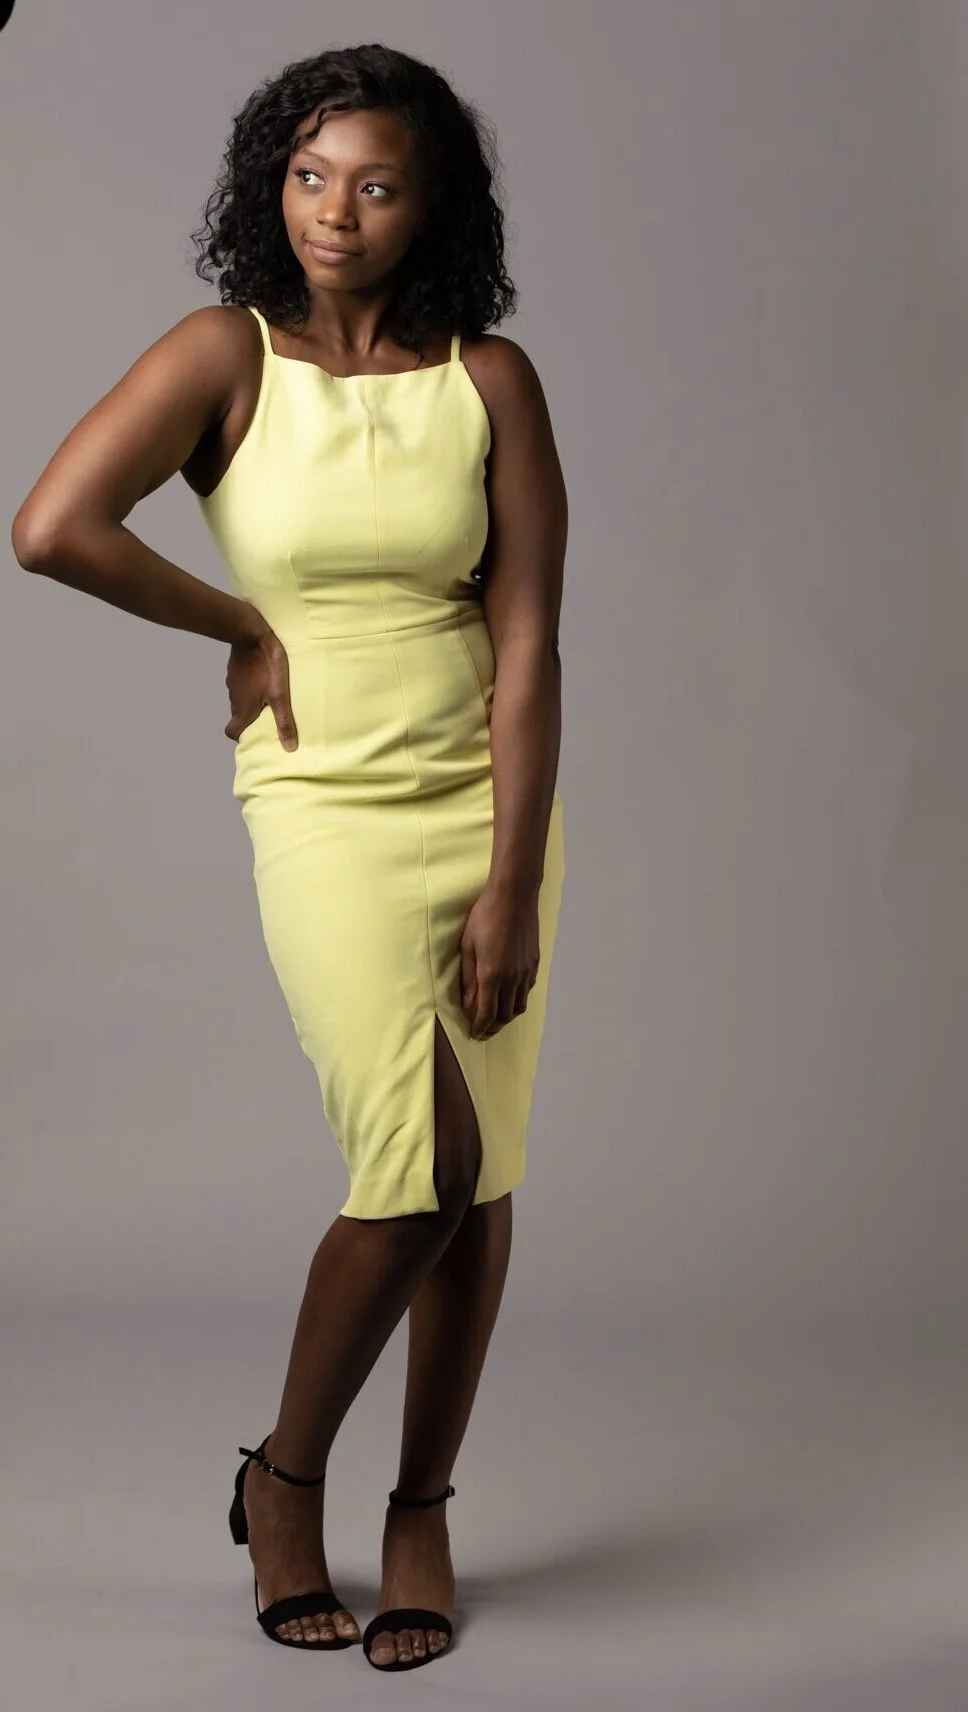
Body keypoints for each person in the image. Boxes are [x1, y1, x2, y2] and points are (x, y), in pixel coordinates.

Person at [11, 41, 566, 1674]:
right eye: (310, 176)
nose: (335, 210)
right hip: (323, 797)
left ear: (430, 205)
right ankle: (286, 1478)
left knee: (481, 1174)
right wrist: (242, 625)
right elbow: (52, 528)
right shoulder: (225, 354)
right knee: (415, 1171)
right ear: (274, 187)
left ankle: (421, 1509)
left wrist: (513, 875)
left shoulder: (491, 381)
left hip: (484, 796)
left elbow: (527, 643)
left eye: (375, 184)